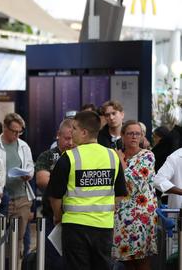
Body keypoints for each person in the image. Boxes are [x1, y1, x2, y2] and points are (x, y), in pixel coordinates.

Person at [47, 111, 127, 270]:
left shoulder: (69, 157)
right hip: (103, 227)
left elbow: (55, 195)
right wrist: (105, 212)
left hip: (75, 226)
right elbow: (120, 194)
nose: (71, 132)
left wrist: (58, 216)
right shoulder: (112, 156)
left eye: (74, 128)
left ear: (84, 133)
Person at [113, 121, 158, 268]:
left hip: (141, 214)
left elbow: (134, 183)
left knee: (141, 259)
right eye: (130, 133)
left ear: (142, 137)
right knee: (127, 260)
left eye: (137, 134)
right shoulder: (115, 154)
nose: (134, 137)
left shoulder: (147, 156)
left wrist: (120, 160)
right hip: (120, 213)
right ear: (122, 135)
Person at [35, 118, 75, 269]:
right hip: (52, 215)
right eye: (67, 138)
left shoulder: (80, 156)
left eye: (73, 138)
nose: (70, 142)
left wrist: (57, 180)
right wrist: (71, 182)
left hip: (76, 216)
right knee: (52, 260)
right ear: (58, 135)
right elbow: (42, 180)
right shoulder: (48, 156)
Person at [0, 113, 34, 258]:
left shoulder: (23, 146)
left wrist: (28, 174)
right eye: (14, 131)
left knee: (18, 239)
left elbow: (30, 167)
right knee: (0, 237)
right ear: (5, 127)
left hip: (22, 197)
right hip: (3, 197)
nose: (17, 135)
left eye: (20, 132)